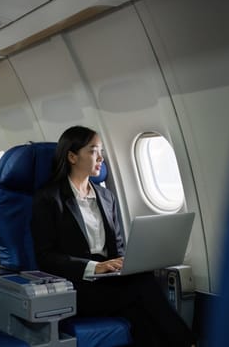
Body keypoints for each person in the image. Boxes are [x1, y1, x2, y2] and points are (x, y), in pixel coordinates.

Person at [31, 125, 195, 347]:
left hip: (107, 282)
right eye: (93, 151)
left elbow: (117, 247)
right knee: (143, 287)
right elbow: (46, 257)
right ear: (72, 156)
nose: (101, 158)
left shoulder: (106, 197)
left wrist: (127, 263)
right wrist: (93, 267)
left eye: (101, 151)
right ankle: (189, 343)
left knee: (141, 312)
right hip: (75, 286)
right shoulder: (49, 199)